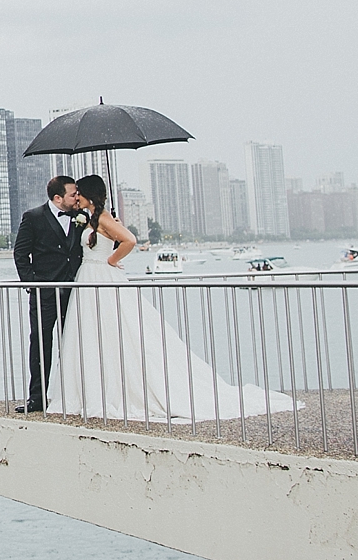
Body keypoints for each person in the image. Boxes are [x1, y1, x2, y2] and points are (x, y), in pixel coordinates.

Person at [48, 173, 299, 423]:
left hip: (101, 275)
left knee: (115, 330)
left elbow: (130, 240)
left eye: (79, 191)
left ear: (89, 194)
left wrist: (111, 260)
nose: (76, 196)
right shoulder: (89, 219)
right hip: (87, 278)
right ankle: (89, 389)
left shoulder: (103, 218)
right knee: (90, 334)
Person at [12, 175, 87, 414]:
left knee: (75, 343)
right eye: (73, 194)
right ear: (58, 197)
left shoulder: (81, 218)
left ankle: (75, 396)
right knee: (41, 343)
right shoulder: (33, 217)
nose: (77, 197)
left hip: (75, 291)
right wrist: (33, 284)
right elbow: (20, 254)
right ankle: (37, 398)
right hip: (44, 293)